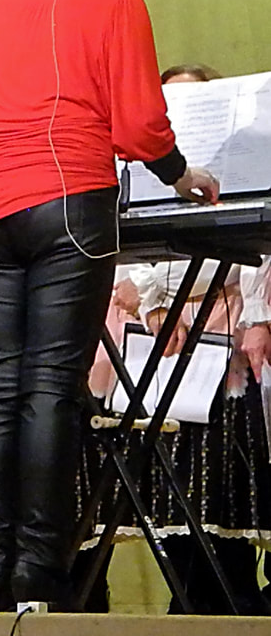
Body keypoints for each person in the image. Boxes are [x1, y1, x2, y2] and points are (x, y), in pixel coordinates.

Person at [0, 0, 220, 610]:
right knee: (48, 387)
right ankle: (38, 576)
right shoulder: (117, 3)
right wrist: (181, 173)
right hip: (67, 198)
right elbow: (137, 124)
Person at [86, 64, 271, 614]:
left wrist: (243, 311)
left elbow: (251, 250)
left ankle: (230, 594)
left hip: (220, 320)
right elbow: (130, 249)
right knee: (167, 470)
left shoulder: (238, 164)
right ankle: (186, 593)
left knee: (224, 470)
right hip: (161, 329)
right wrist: (154, 302)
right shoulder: (142, 171)